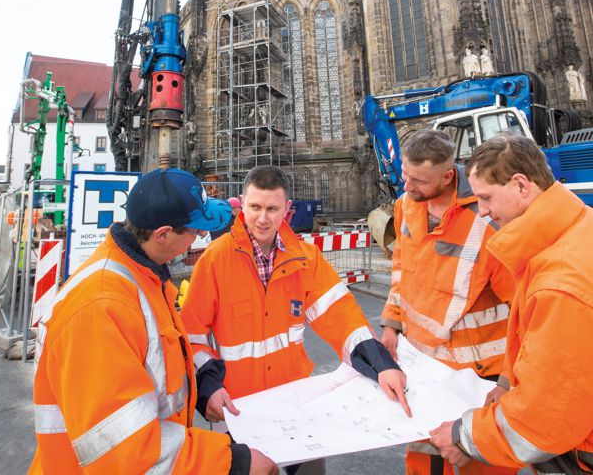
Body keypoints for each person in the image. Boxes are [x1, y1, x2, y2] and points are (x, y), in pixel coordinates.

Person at [29, 168, 278, 475]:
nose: (198, 240)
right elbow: (124, 448)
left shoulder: (142, 277)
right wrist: (233, 462)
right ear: (163, 234)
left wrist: (205, 387)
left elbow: (161, 360)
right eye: (195, 231)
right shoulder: (102, 306)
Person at [181, 165, 411, 475]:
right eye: (255, 207)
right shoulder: (215, 260)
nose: (263, 218)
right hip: (238, 413)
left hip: (296, 409)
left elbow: (343, 319)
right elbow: (191, 336)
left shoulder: (306, 259)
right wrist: (208, 388)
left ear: (287, 210)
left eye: (272, 209)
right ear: (242, 203)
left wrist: (381, 364)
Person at [430, 135, 593, 474]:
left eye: (486, 197)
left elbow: (541, 422)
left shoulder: (561, 284)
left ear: (521, 185)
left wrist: (462, 436)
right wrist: (507, 383)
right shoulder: (572, 229)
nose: (483, 211)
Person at [379, 129, 515, 475]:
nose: (408, 187)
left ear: (448, 175)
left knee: (483, 461)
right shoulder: (406, 205)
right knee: (424, 458)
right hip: (421, 367)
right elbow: (402, 268)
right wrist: (391, 324)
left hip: (479, 376)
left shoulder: (488, 221)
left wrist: (508, 382)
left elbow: (523, 309)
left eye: (419, 181)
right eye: (405, 176)